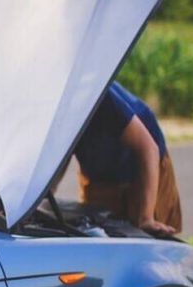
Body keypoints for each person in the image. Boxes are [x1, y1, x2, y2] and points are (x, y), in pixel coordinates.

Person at [73, 81, 182, 235]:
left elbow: (149, 149)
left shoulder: (98, 96)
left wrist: (146, 218)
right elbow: (56, 158)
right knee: (97, 234)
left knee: (147, 237)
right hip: (98, 171)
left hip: (144, 163)